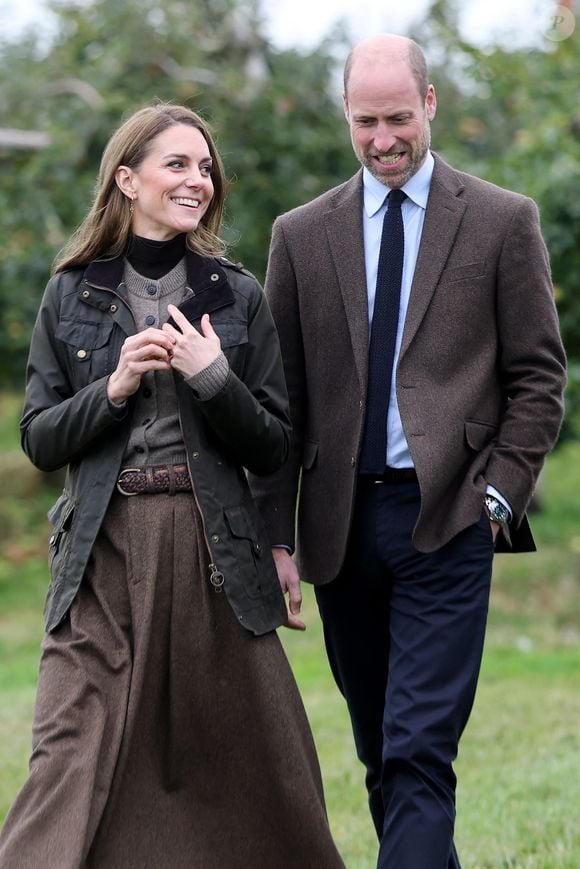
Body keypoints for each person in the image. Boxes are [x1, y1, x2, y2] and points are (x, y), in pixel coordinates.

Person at [249, 34, 567, 869]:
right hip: (340, 529)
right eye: (365, 121)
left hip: (449, 519)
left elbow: (539, 378)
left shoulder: (502, 220)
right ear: (345, 118)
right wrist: (275, 537)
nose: (382, 137)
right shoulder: (299, 235)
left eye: (397, 117)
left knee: (420, 747)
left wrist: (496, 498)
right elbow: (281, 403)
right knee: (382, 754)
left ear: (430, 104)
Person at [0, 103, 345, 869]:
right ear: (127, 179)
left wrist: (214, 377)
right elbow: (38, 438)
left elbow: (274, 443)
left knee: (255, 763)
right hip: (102, 553)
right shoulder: (71, 295)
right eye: (178, 164)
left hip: (213, 550)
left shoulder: (236, 295)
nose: (199, 180)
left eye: (205, 166)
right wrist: (114, 387)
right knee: (68, 747)